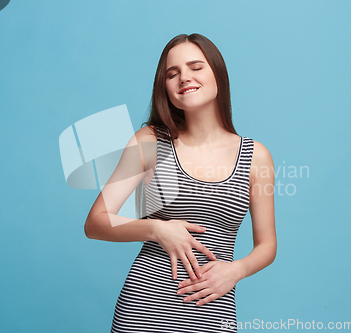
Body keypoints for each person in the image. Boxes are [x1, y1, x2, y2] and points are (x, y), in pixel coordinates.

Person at [84, 33, 277, 332]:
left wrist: (236, 270)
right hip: (143, 312)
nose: (184, 77)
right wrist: (157, 228)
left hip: (213, 312)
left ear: (217, 73)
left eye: (195, 67)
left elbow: (267, 245)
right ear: (165, 87)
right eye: (172, 73)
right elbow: (95, 223)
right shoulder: (149, 141)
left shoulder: (256, 157)